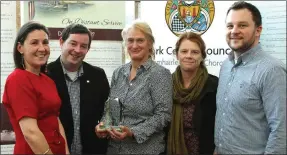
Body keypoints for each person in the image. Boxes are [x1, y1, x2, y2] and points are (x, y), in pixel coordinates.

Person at [215, 1, 286, 154]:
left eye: (242, 25)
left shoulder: (272, 70)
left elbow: (281, 129)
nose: (234, 31)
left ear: (258, 30)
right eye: (230, 26)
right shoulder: (225, 66)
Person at [95, 20, 173, 154]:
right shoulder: (118, 73)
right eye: (130, 40)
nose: (134, 45)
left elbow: (163, 115)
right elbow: (110, 108)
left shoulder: (160, 74)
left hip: (145, 150)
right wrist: (104, 126)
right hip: (115, 149)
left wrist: (133, 132)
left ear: (150, 44)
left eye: (140, 40)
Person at [2, 21, 69, 154]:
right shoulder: (17, 79)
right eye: (34, 43)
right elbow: (30, 132)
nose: (42, 48)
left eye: (45, 42)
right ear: (20, 48)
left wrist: (66, 152)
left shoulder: (48, 80)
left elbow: (56, 120)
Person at [46, 23, 110, 154]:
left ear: (88, 49)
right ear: (61, 42)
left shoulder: (98, 75)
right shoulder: (46, 75)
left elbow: (108, 109)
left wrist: (105, 124)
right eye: (73, 43)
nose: (77, 50)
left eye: (83, 46)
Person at [167, 32, 218, 155]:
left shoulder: (214, 85)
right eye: (184, 51)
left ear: (202, 56)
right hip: (172, 149)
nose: (189, 56)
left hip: (204, 150)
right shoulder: (167, 83)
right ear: (177, 55)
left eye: (195, 52)